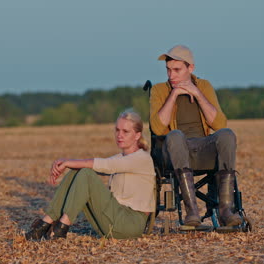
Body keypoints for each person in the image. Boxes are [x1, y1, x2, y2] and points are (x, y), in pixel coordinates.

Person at [25, 110, 156, 240]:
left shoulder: (142, 158)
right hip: (114, 220)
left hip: (130, 224)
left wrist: (67, 162)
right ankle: (46, 223)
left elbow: (106, 165)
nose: (119, 135)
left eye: (125, 131)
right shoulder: (121, 157)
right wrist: (67, 164)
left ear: (137, 135)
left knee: (86, 173)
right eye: (117, 130)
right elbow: (101, 165)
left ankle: (63, 225)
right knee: (78, 171)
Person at [149, 45, 241, 227]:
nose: (171, 75)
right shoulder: (160, 90)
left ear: (190, 68)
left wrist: (197, 93)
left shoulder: (204, 86)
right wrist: (174, 94)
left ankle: (226, 210)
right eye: (168, 70)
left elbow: (220, 124)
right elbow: (158, 129)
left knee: (227, 134)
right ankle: (192, 211)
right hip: (175, 152)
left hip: (203, 149)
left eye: (177, 70)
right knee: (174, 135)